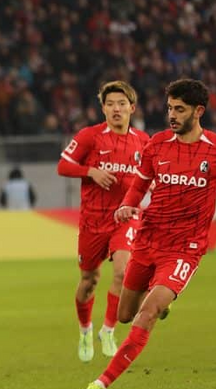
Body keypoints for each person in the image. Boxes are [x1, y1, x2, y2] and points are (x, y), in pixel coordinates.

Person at [78, 78, 216, 389]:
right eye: (170, 108)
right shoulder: (157, 145)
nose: (172, 115)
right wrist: (127, 204)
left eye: (180, 109)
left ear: (199, 111)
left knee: (148, 313)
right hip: (147, 241)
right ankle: (160, 297)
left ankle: (99, 384)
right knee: (126, 314)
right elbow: (140, 185)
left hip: (185, 250)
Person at [57, 81, 150, 363]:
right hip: (93, 221)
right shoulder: (90, 136)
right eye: (110, 104)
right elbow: (63, 166)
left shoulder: (143, 141)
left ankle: (108, 330)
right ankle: (85, 329)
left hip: (126, 217)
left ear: (132, 108)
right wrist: (91, 172)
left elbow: (152, 175)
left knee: (122, 273)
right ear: (103, 109)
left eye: (121, 104)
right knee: (89, 280)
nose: (116, 109)